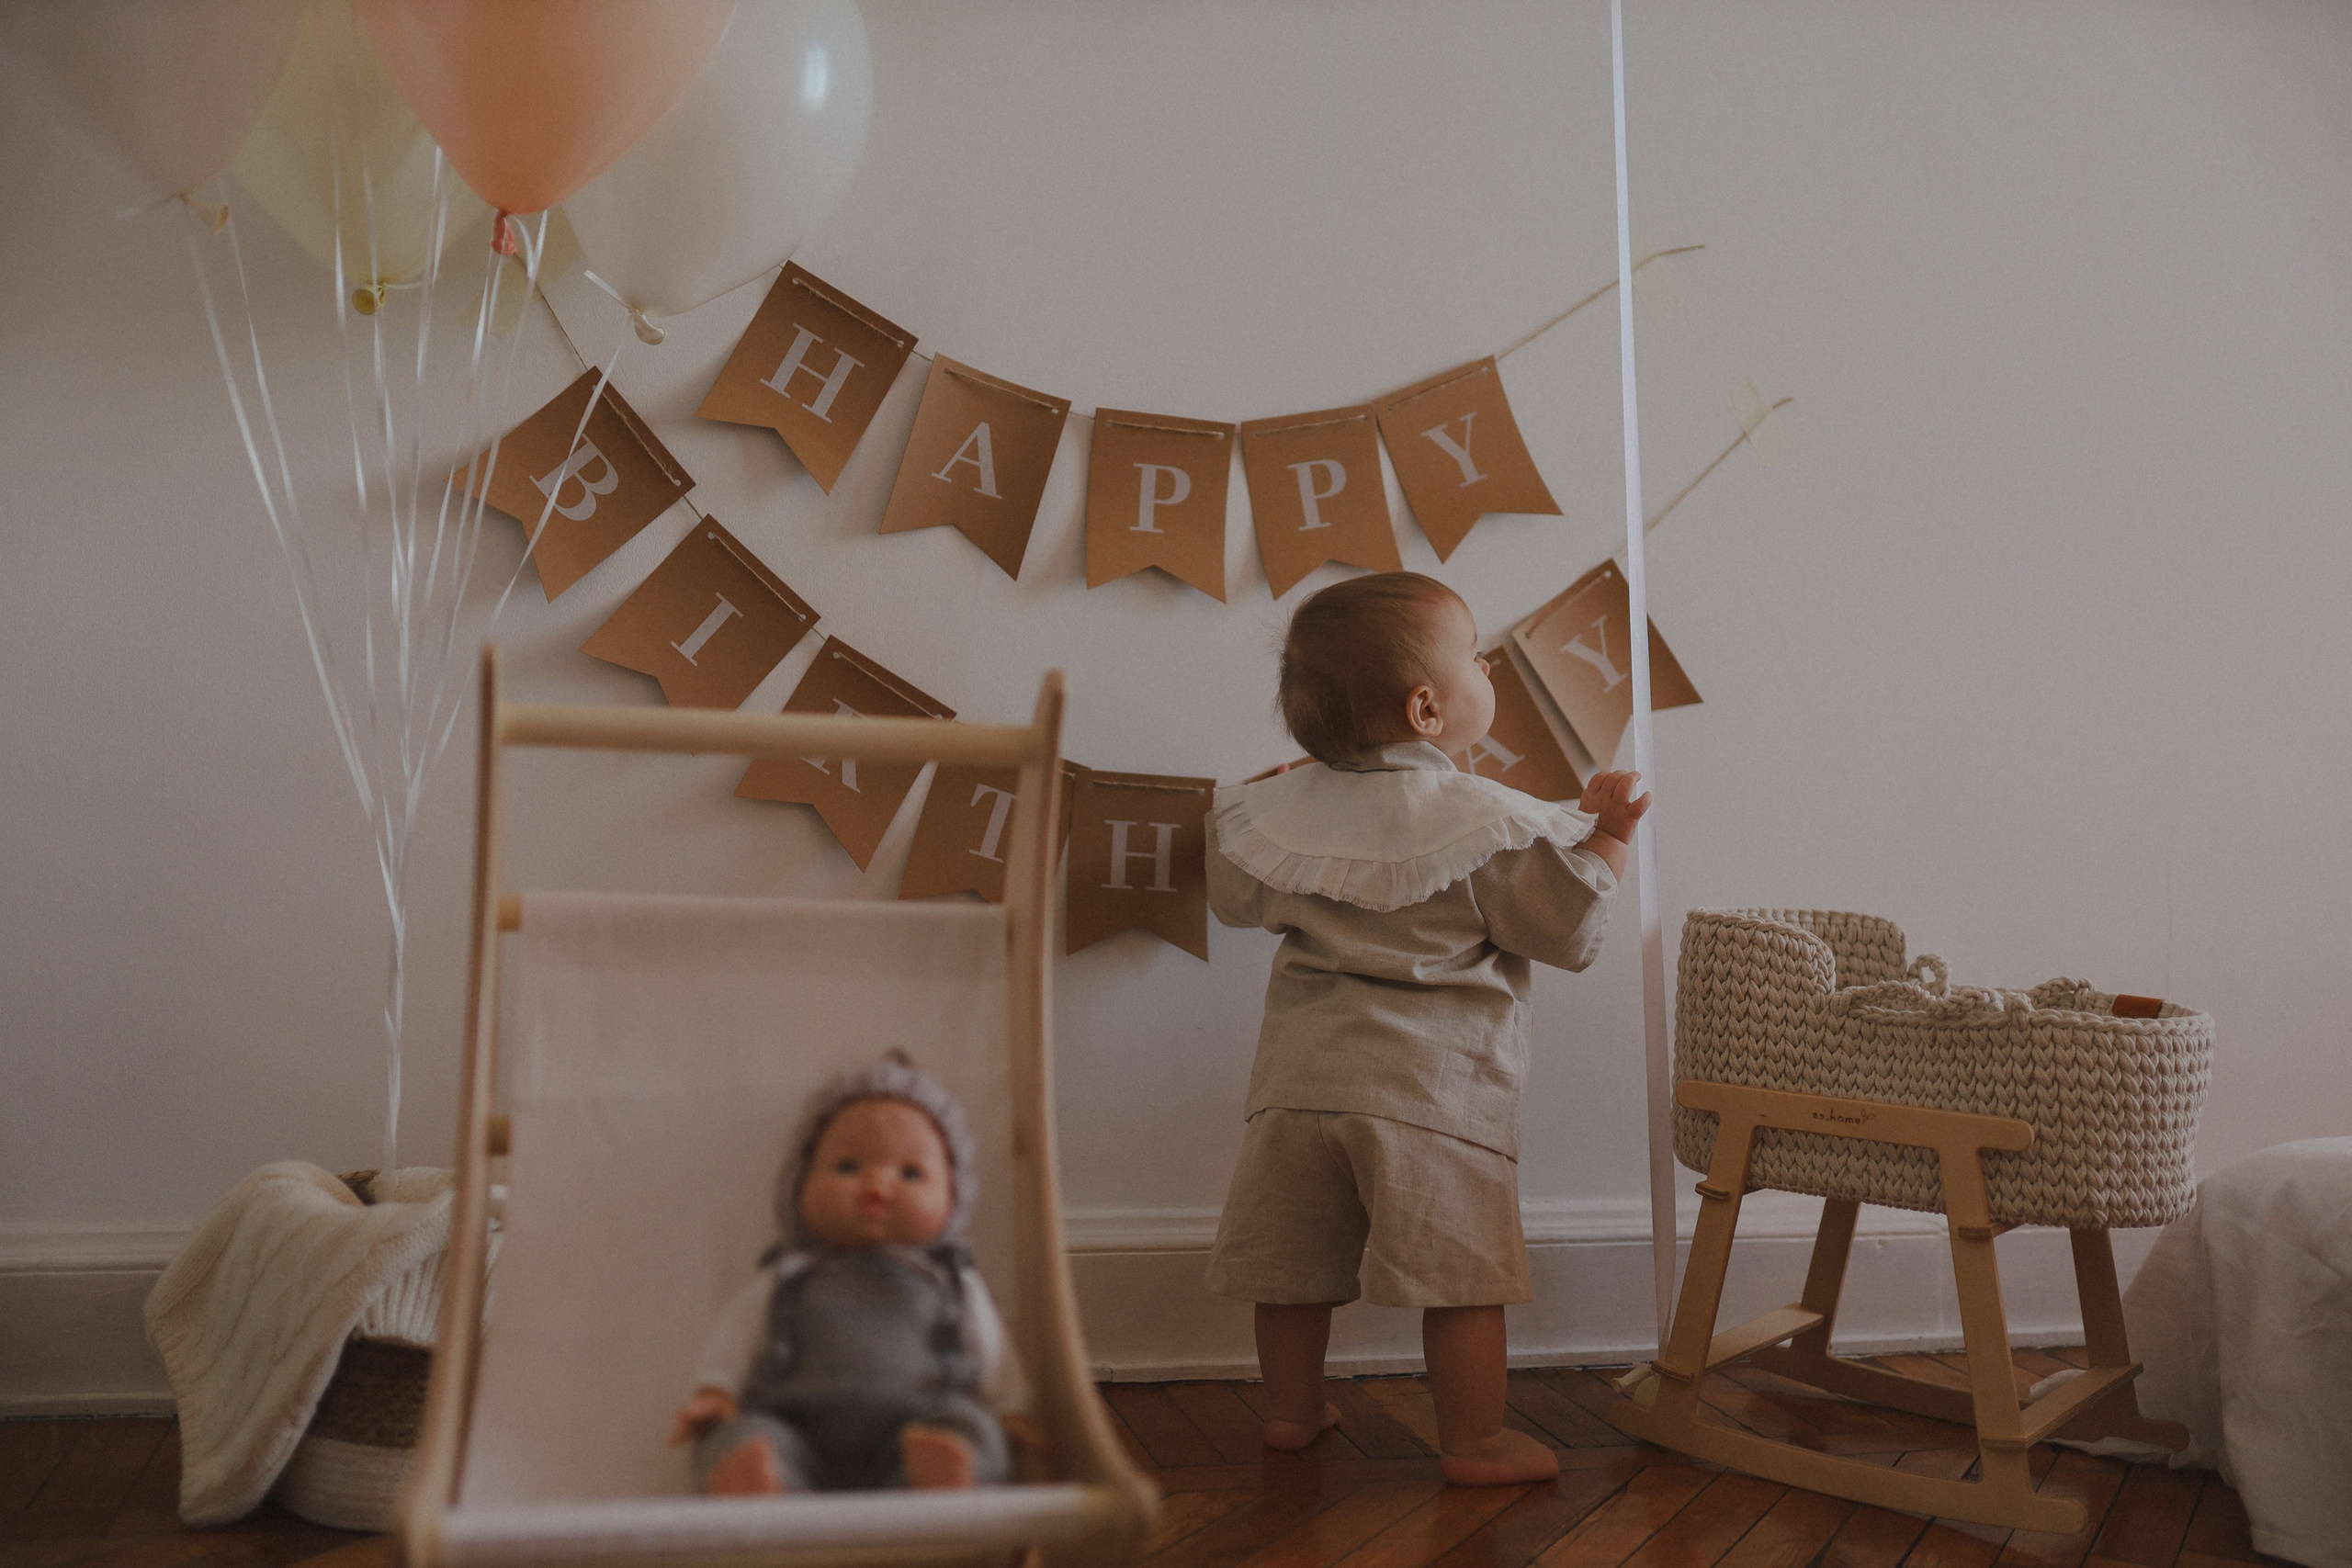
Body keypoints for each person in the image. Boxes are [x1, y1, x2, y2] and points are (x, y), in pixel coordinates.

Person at [1204, 570, 1649, 1486]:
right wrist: (1607, 835)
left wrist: (1281, 796)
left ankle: (1290, 1412)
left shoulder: (1282, 809)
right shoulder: (1478, 824)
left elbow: (1233, 893)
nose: (1490, 665)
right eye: (1477, 657)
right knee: (1459, 1279)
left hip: (1295, 1089)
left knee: (1288, 1270)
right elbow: (1561, 933)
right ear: (1426, 708)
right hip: (1432, 1096)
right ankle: (1475, 1442)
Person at [670, 1052, 1028, 1493]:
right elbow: (735, 1336)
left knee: (977, 1430)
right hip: (796, 1430)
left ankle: (941, 1479)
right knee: (736, 1437)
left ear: (952, 1201)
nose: (877, 1187)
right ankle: (764, 1484)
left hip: (921, 1427)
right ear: (800, 1186)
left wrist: (1011, 1408)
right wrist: (716, 1391)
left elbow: (993, 1353)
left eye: (911, 1173)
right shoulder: (790, 1277)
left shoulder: (951, 1284)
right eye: (847, 1167)